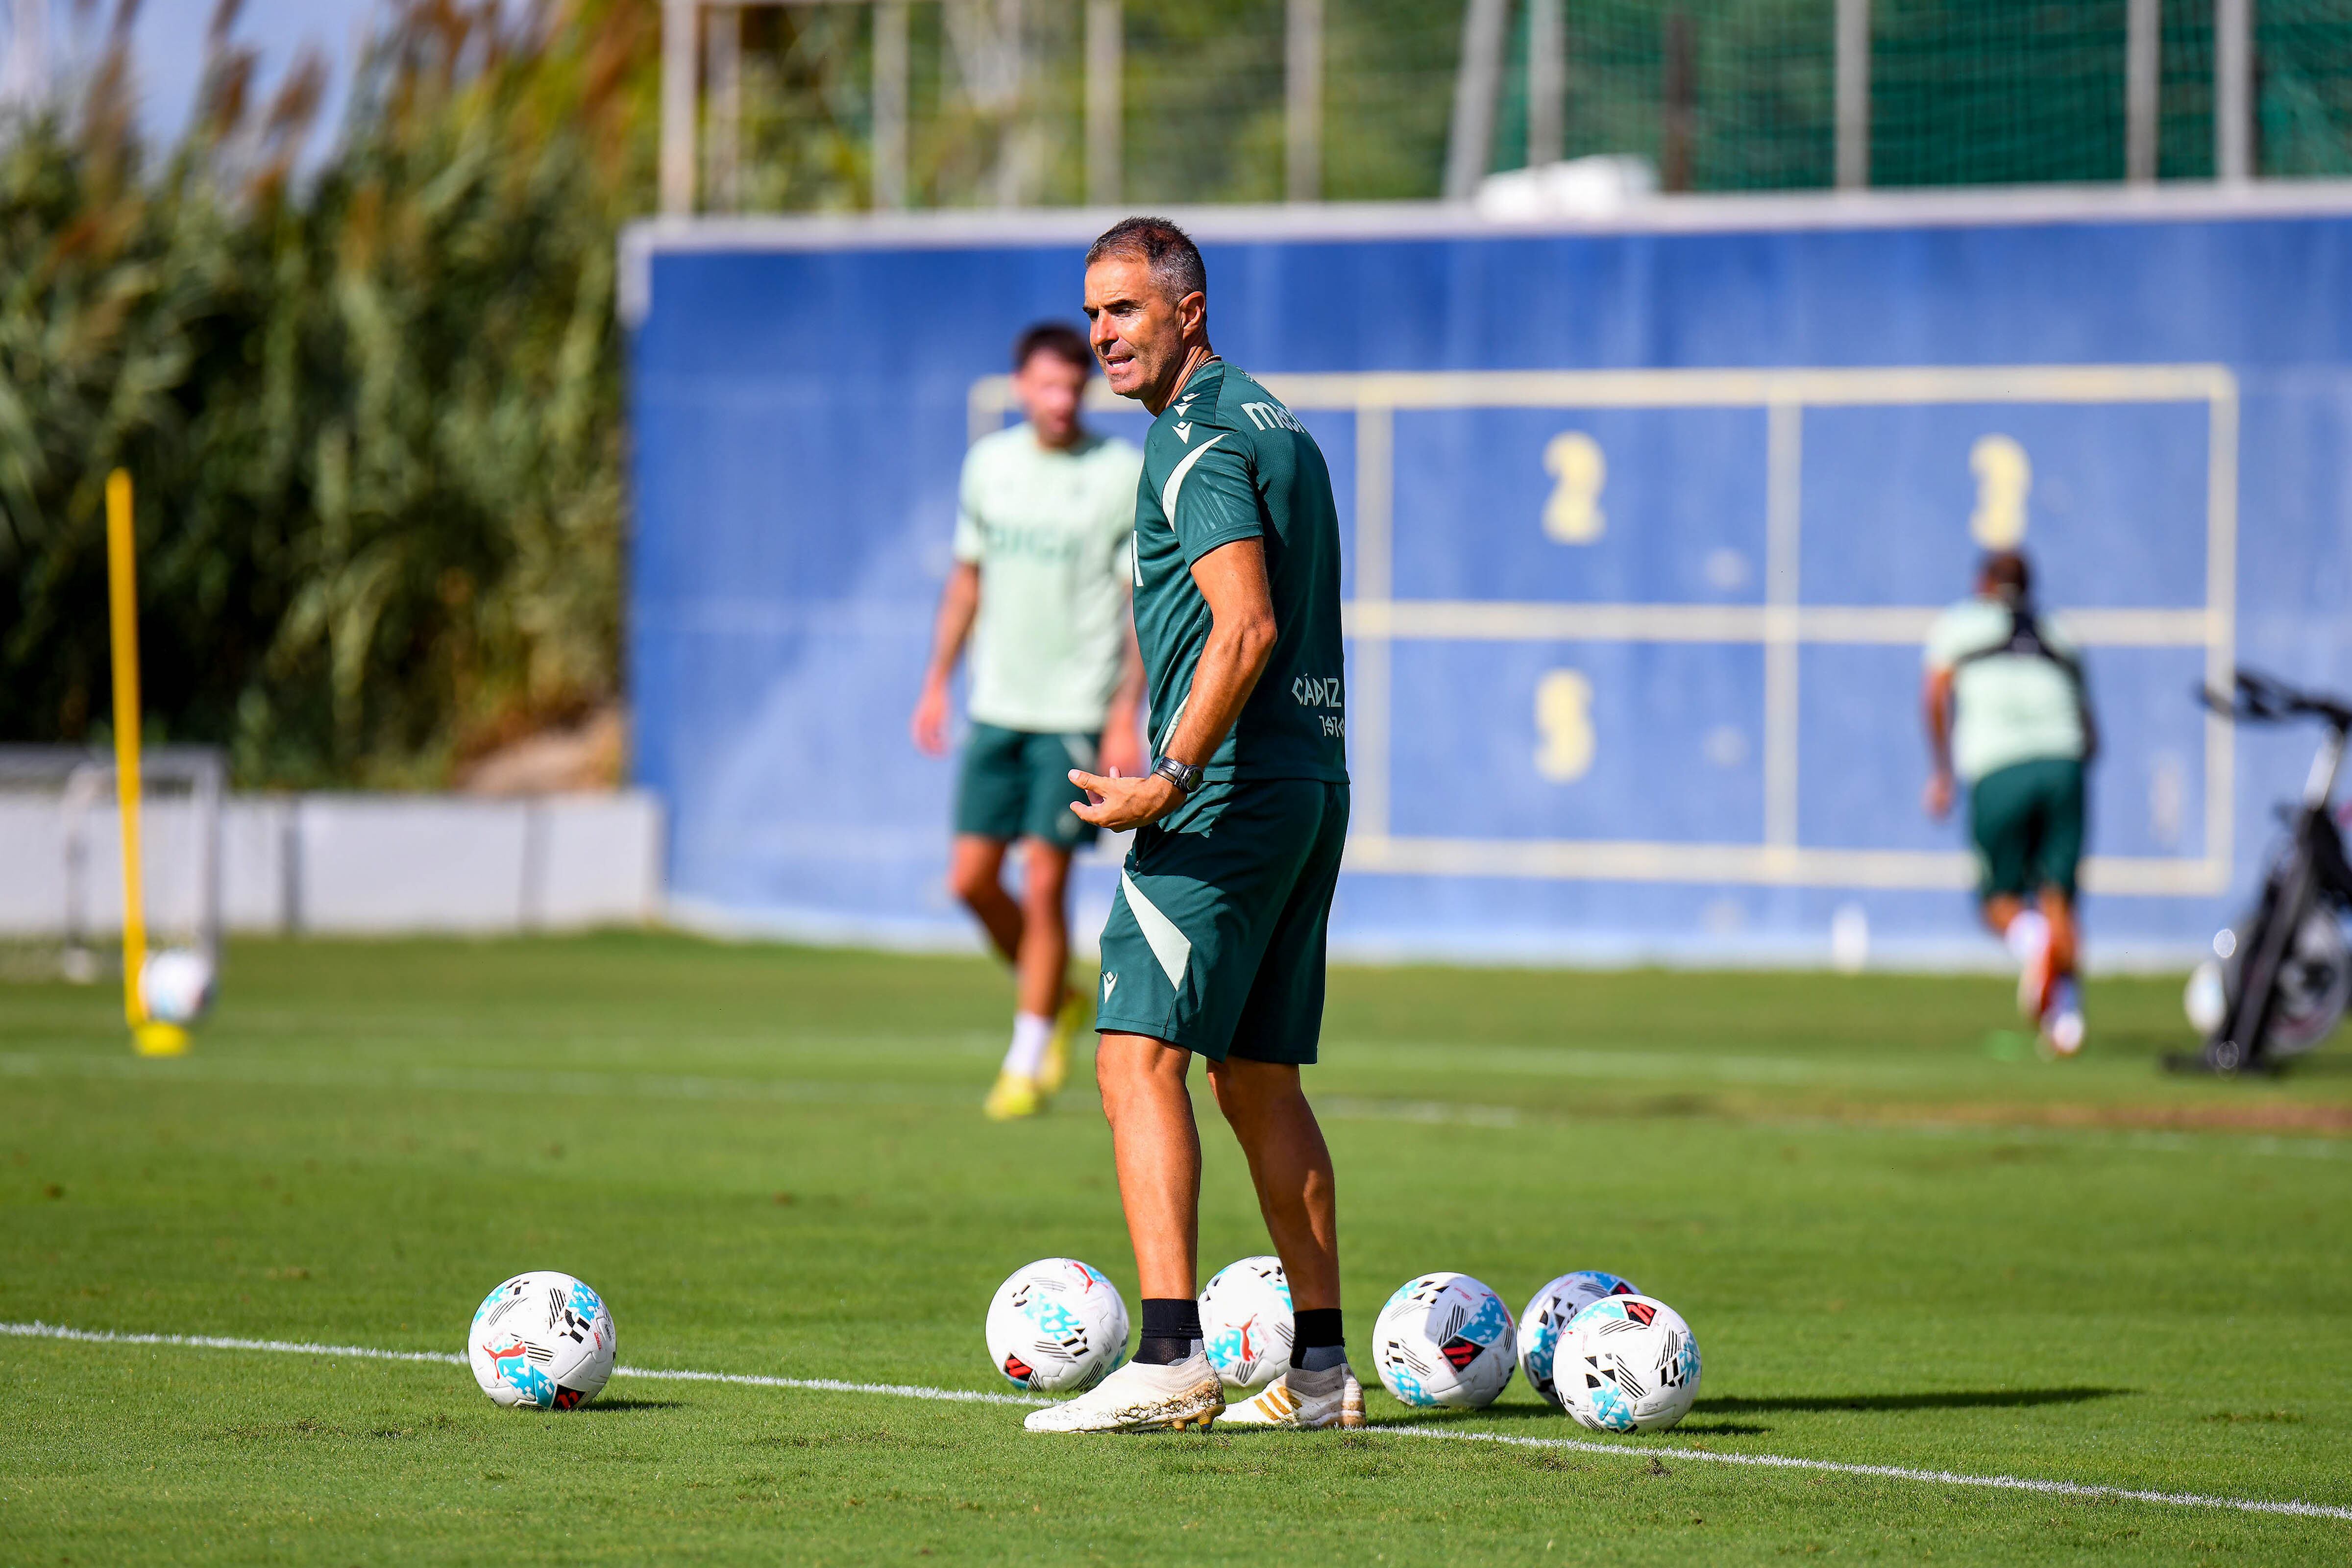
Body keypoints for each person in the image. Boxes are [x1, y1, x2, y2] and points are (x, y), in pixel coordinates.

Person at [1022, 218, 1360, 1435]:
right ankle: (1319, 1374)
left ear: (1188, 312)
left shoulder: (1194, 436)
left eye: (1123, 310)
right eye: (1092, 311)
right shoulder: (1278, 423)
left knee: (1131, 1059)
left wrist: (1169, 772)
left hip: (1222, 799)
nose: (1102, 333)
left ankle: (1168, 1355)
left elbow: (1246, 625)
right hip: (1308, 783)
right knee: (1257, 1079)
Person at [911, 322, 1146, 1120]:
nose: (1057, 401)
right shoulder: (990, 467)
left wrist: (1124, 716)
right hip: (996, 706)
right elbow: (967, 581)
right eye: (1043, 386)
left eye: (1070, 387)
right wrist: (936, 682)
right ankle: (1058, 996)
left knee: (1046, 881)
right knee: (972, 881)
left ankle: (1027, 1052)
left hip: (1073, 711)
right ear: (1019, 386)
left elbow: (1137, 607)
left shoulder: (1117, 474)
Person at [1923, 548, 2095, 1055]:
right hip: (2065, 764)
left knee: (1999, 901)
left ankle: (2034, 943)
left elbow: (1934, 692)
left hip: (1999, 768)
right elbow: (2091, 730)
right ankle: (2066, 1024)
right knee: (2059, 896)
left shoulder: (1959, 625)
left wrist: (1941, 772)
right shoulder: (2060, 630)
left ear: (1982, 584)